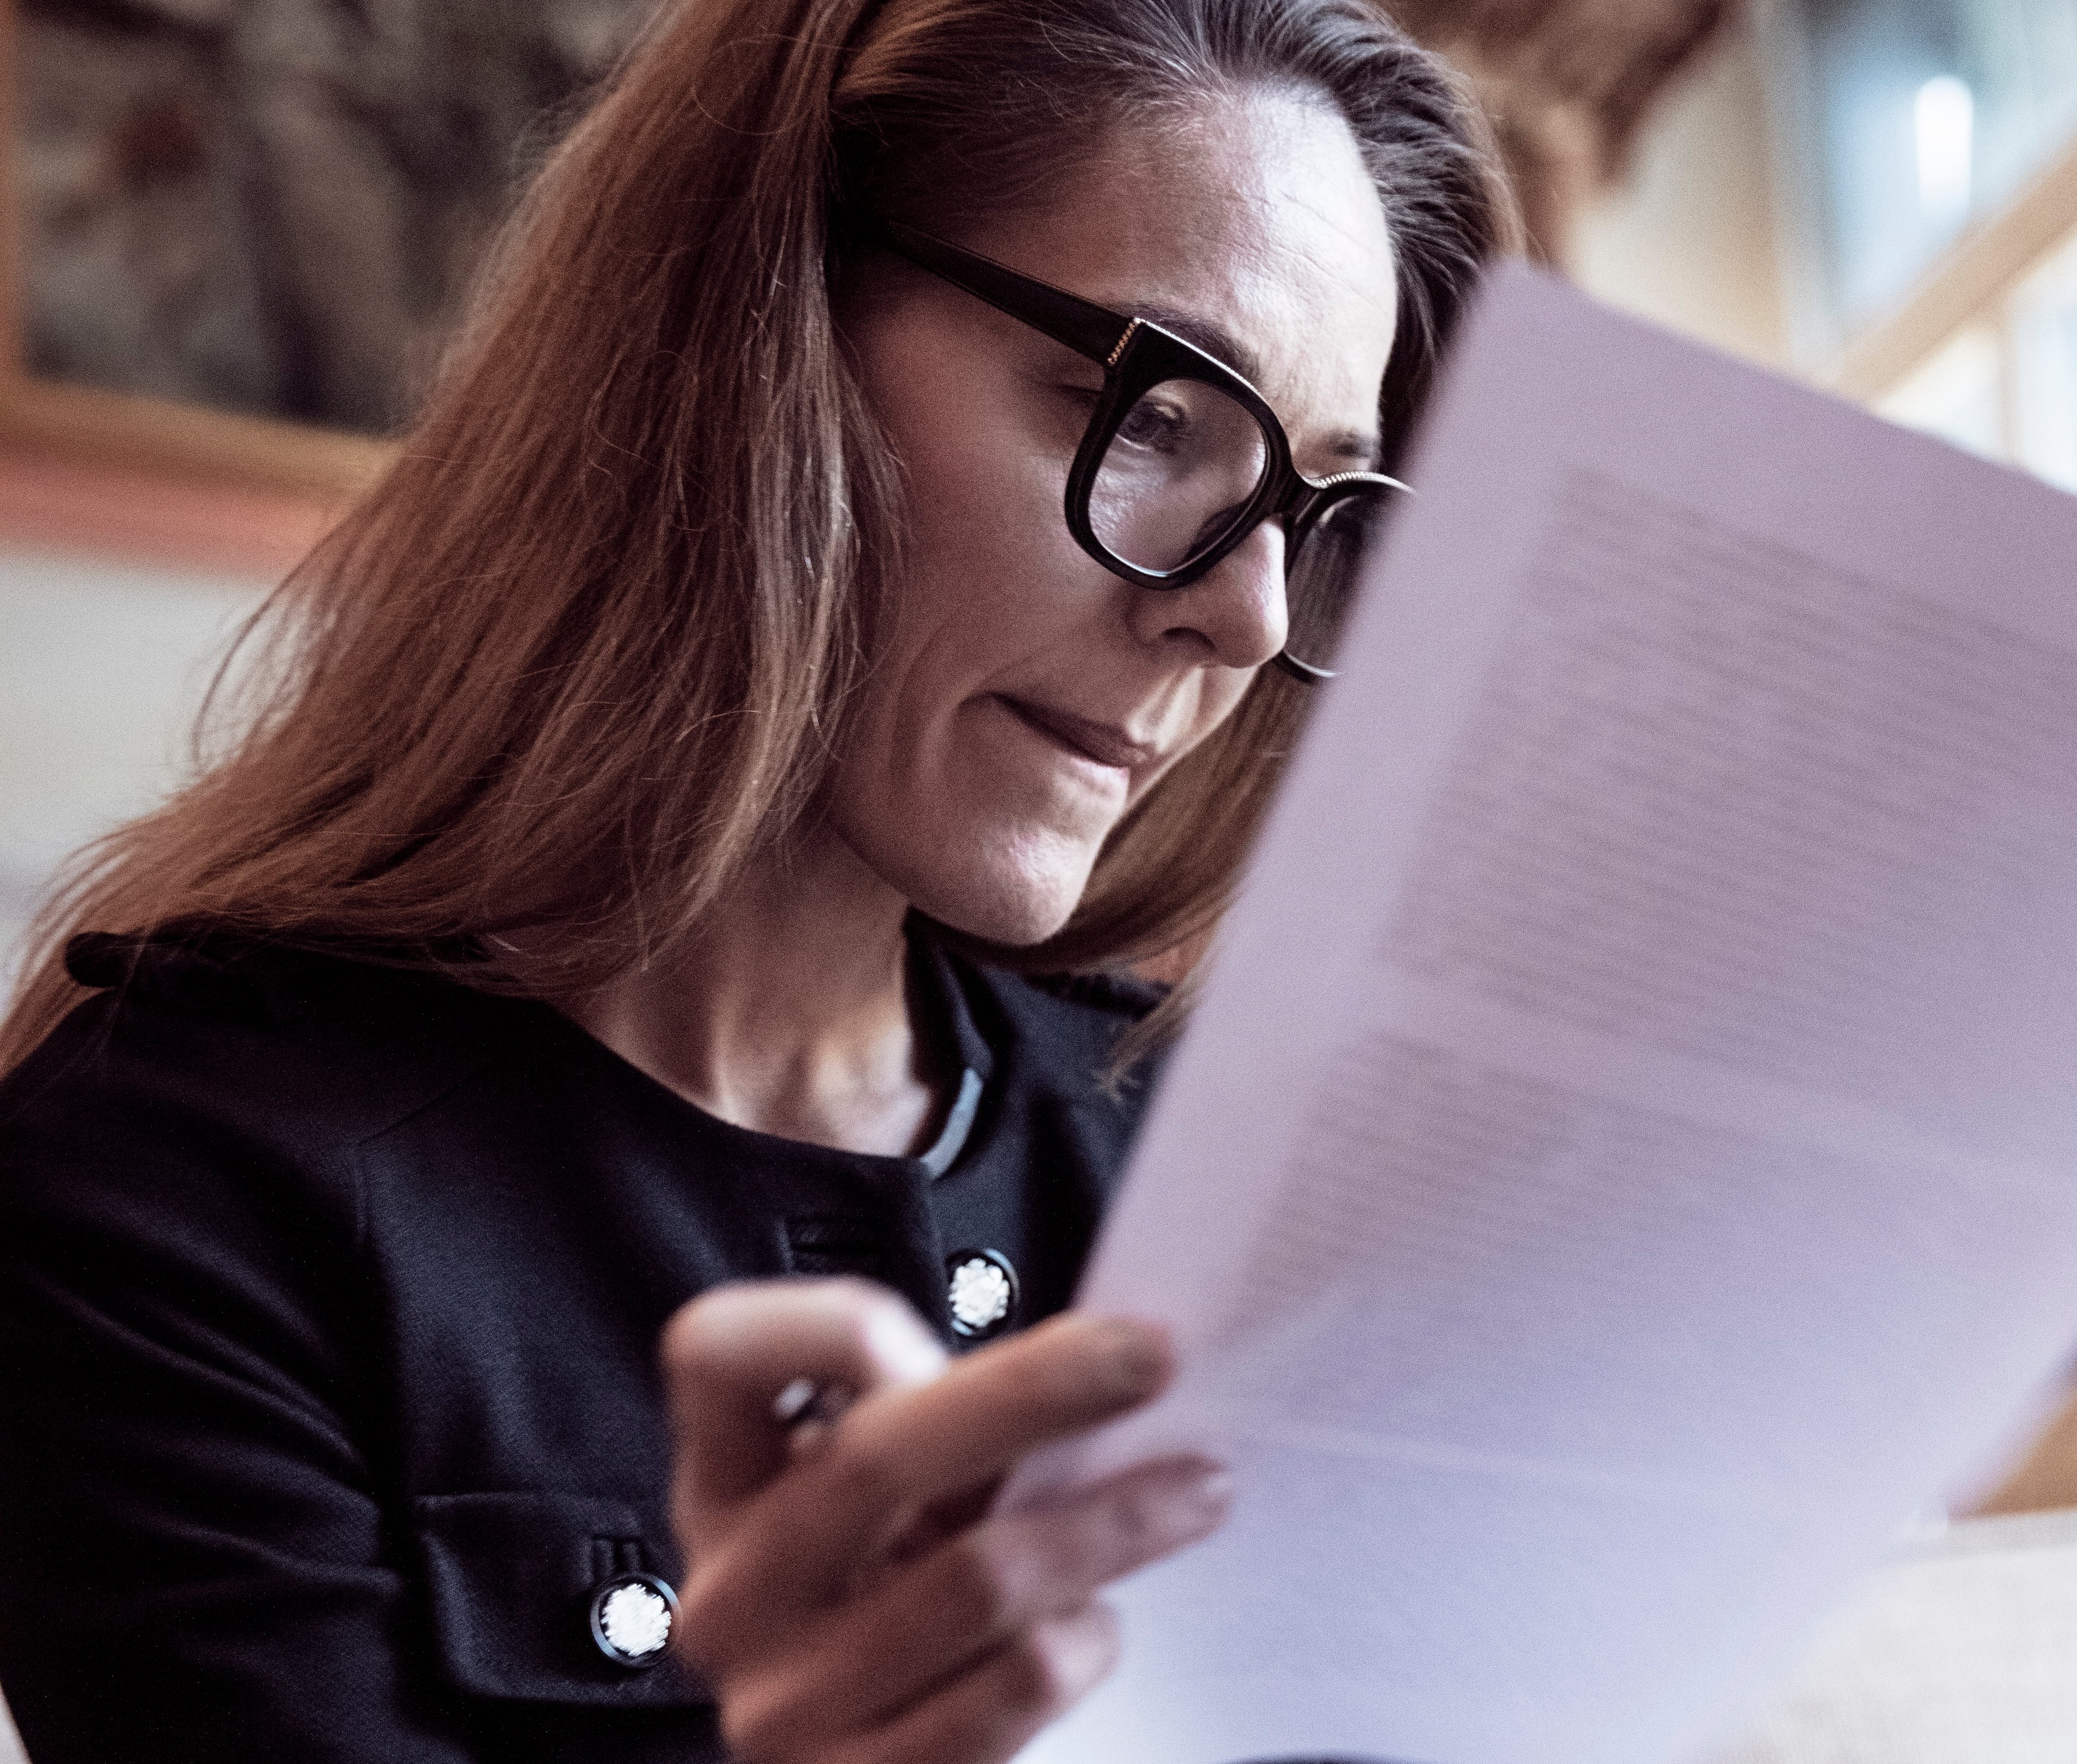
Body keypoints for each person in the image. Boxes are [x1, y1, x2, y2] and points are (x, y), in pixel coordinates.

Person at [0, 0, 1511, 1757]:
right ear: (755, 338)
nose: (1244, 616)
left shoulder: (1205, 1148)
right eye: (1162, 415)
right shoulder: (169, 1200)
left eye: (1318, 512)